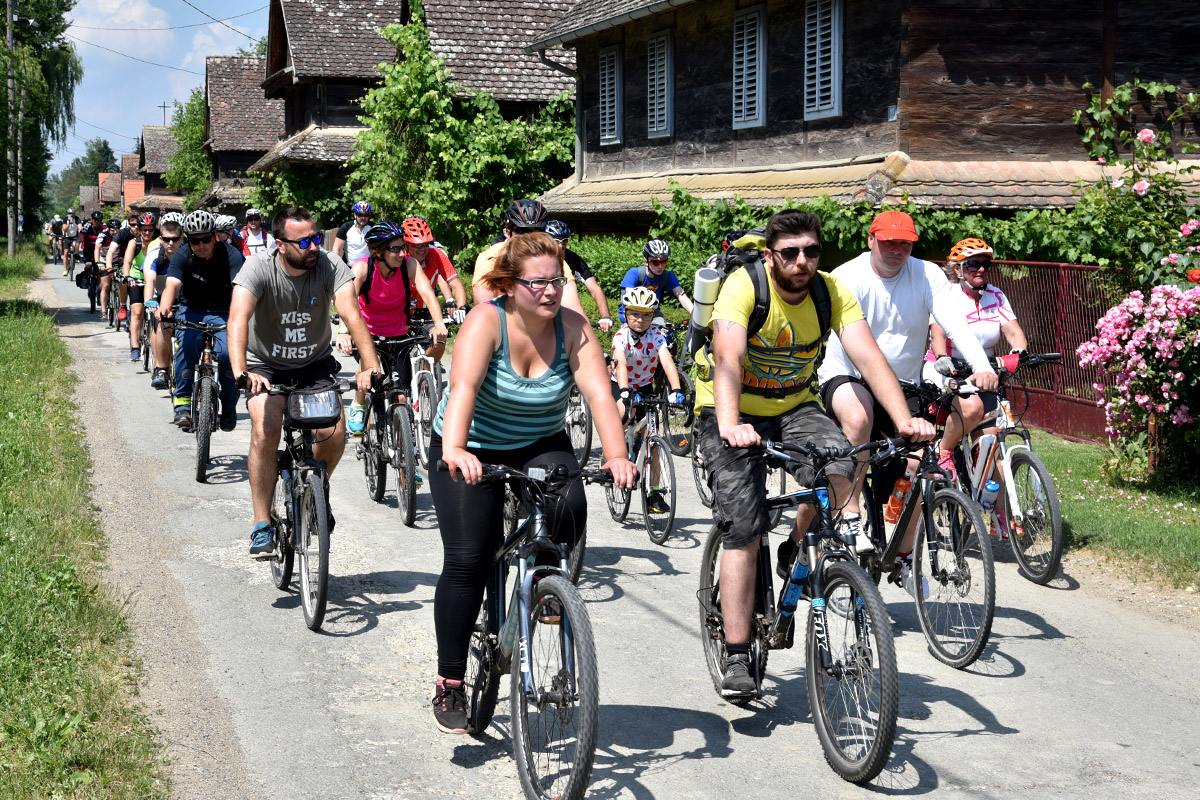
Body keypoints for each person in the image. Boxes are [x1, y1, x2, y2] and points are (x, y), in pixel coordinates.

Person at [695, 208, 934, 697]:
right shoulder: (745, 286)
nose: (802, 261)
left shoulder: (829, 290)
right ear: (770, 256)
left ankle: (808, 546)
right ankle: (738, 654)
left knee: (842, 461)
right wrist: (729, 424)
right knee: (743, 523)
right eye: (790, 253)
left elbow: (869, 356)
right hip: (730, 408)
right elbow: (727, 357)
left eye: (811, 251)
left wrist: (904, 418)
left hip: (793, 406)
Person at [428, 231, 635, 733]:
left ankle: (546, 583)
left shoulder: (573, 328)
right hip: (471, 441)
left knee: (571, 504)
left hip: (538, 439)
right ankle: (450, 680)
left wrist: (617, 455)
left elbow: (600, 397)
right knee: (468, 558)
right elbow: (464, 390)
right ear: (509, 285)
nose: (549, 292)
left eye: (556, 282)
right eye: (536, 284)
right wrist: (455, 449)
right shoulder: (486, 321)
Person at [816, 210, 996, 579]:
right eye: (888, 241)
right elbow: (858, 349)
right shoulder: (848, 277)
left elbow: (955, 324)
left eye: (904, 242)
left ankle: (901, 551)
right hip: (847, 373)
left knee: (918, 463)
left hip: (903, 383)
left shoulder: (927, 274)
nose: (896, 249)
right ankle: (851, 511)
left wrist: (982, 366)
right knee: (859, 417)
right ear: (871, 240)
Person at [230, 206, 379, 558]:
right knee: (266, 429)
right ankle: (262, 525)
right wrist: (241, 371)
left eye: (316, 237)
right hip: (263, 365)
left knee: (337, 430)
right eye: (304, 242)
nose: (314, 246)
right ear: (280, 244)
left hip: (313, 364)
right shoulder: (258, 267)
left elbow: (350, 312)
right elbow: (238, 317)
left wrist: (370, 366)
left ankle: (317, 489)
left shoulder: (327, 263)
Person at [928, 237, 1029, 535]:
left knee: (990, 441)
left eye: (986, 264)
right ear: (959, 269)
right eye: (973, 264)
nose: (981, 269)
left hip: (985, 370)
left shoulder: (996, 296)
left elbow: (1014, 334)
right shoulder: (946, 296)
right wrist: (944, 360)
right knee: (971, 409)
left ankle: (1000, 515)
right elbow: (937, 338)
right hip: (948, 368)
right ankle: (943, 450)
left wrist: (1019, 356)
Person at [335, 220, 448, 436]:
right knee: (371, 369)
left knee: (401, 396)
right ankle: (358, 405)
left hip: (399, 334)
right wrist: (343, 331)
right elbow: (346, 302)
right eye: (394, 249)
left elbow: (428, 295)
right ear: (378, 251)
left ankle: (403, 455)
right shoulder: (362, 269)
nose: (400, 254)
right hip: (368, 334)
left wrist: (439, 324)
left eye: (402, 248)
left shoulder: (409, 265)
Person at [157, 210, 245, 431]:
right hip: (191, 310)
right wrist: (165, 307)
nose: (202, 245)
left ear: (215, 235)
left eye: (206, 239)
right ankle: (183, 405)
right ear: (188, 240)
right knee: (186, 348)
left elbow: (239, 289)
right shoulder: (182, 255)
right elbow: (172, 285)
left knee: (227, 355)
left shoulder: (231, 254)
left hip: (225, 312)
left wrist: (240, 314)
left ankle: (229, 404)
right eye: (196, 241)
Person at [611, 286, 686, 512]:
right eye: (635, 313)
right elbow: (621, 364)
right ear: (625, 314)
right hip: (620, 384)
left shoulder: (657, 337)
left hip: (645, 386)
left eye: (646, 315)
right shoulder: (621, 336)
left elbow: (667, 363)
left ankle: (653, 492)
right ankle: (613, 451)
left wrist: (675, 389)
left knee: (652, 438)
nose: (640, 319)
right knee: (626, 415)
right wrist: (624, 390)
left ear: (653, 316)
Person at [471, 199, 584, 315]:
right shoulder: (490, 258)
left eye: (537, 232)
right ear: (508, 232)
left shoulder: (553, 260)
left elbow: (574, 309)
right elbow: (484, 310)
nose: (529, 239)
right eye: (522, 232)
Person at [401, 216, 467, 364]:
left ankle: (425, 377)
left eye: (425, 244)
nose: (423, 249)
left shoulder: (436, 254)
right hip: (401, 313)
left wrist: (461, 306)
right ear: (406, 244)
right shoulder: (399, 258)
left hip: (425, 311)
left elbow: (455, 283)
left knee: (439, 340)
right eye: (417, 245)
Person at [546, 219, 614, 332]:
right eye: (556, 241)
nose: (561, 245)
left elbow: (595, 288)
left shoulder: (573, 259)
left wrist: (605, 317)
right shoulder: (537, 258)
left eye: (565, 241)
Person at [145, 213, 186, 389]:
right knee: (162, 322)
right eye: (167, 239)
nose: (171, 243)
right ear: (160, 239)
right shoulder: (154, 256)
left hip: (185, 297)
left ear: (181, 238)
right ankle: (161, 368)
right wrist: (149, 302)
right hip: (160, 297)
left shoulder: (189, 255)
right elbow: (150, 281)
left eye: (175, 239)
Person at [618, 239, 693, 322]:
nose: (660, 266)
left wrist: (696, 316)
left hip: (652, 313)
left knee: (665, 331)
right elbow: (630, 295)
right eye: (655, 262)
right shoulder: (634, 273)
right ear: (646, 262)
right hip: (632, 312)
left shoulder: (668, 276)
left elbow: (682, 296)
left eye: (663, 261)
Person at [122, 213, 160, 362]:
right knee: (137, 312)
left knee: (156, 312)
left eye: (150, 230)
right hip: (136, 279)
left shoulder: (158, 242)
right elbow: (127, 262)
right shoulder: (134, 243)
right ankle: (135, 347)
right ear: (139, 229)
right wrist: (127, 276)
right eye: (144, 230)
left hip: (153, 280)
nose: (147, 233)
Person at [106, 213, 139, 321]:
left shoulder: (146, 233)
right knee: (123, 279)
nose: (136, 227)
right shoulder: (122, 234)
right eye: (132, 224)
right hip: (123, 261)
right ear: (128, 224)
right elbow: (110, 252)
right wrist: (109, 267)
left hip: (140, 262)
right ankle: (123, 305)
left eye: (137, 224)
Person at [333, 201, 373, 265]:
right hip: (349, 268)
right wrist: (337, 266)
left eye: (366, 215)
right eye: (360, 214)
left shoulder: (373, 228)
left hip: (368, 268)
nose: (363, 217)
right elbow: (336, 248)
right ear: (355, 214)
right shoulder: (346, 227)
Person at [61, 208, 82, 277]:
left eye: (72, 213)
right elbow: (64, 229)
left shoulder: (77, 219)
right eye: (69, 213)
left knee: (75, 244)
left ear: (74, 213)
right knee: (66, 252)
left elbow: (80, 227)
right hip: (66, 237)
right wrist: (69, 223)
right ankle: (65, 270)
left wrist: (80, 230)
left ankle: (75, 255)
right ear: (68, 213)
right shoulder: (65, 219)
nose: (71, 215)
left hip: (74, 237)